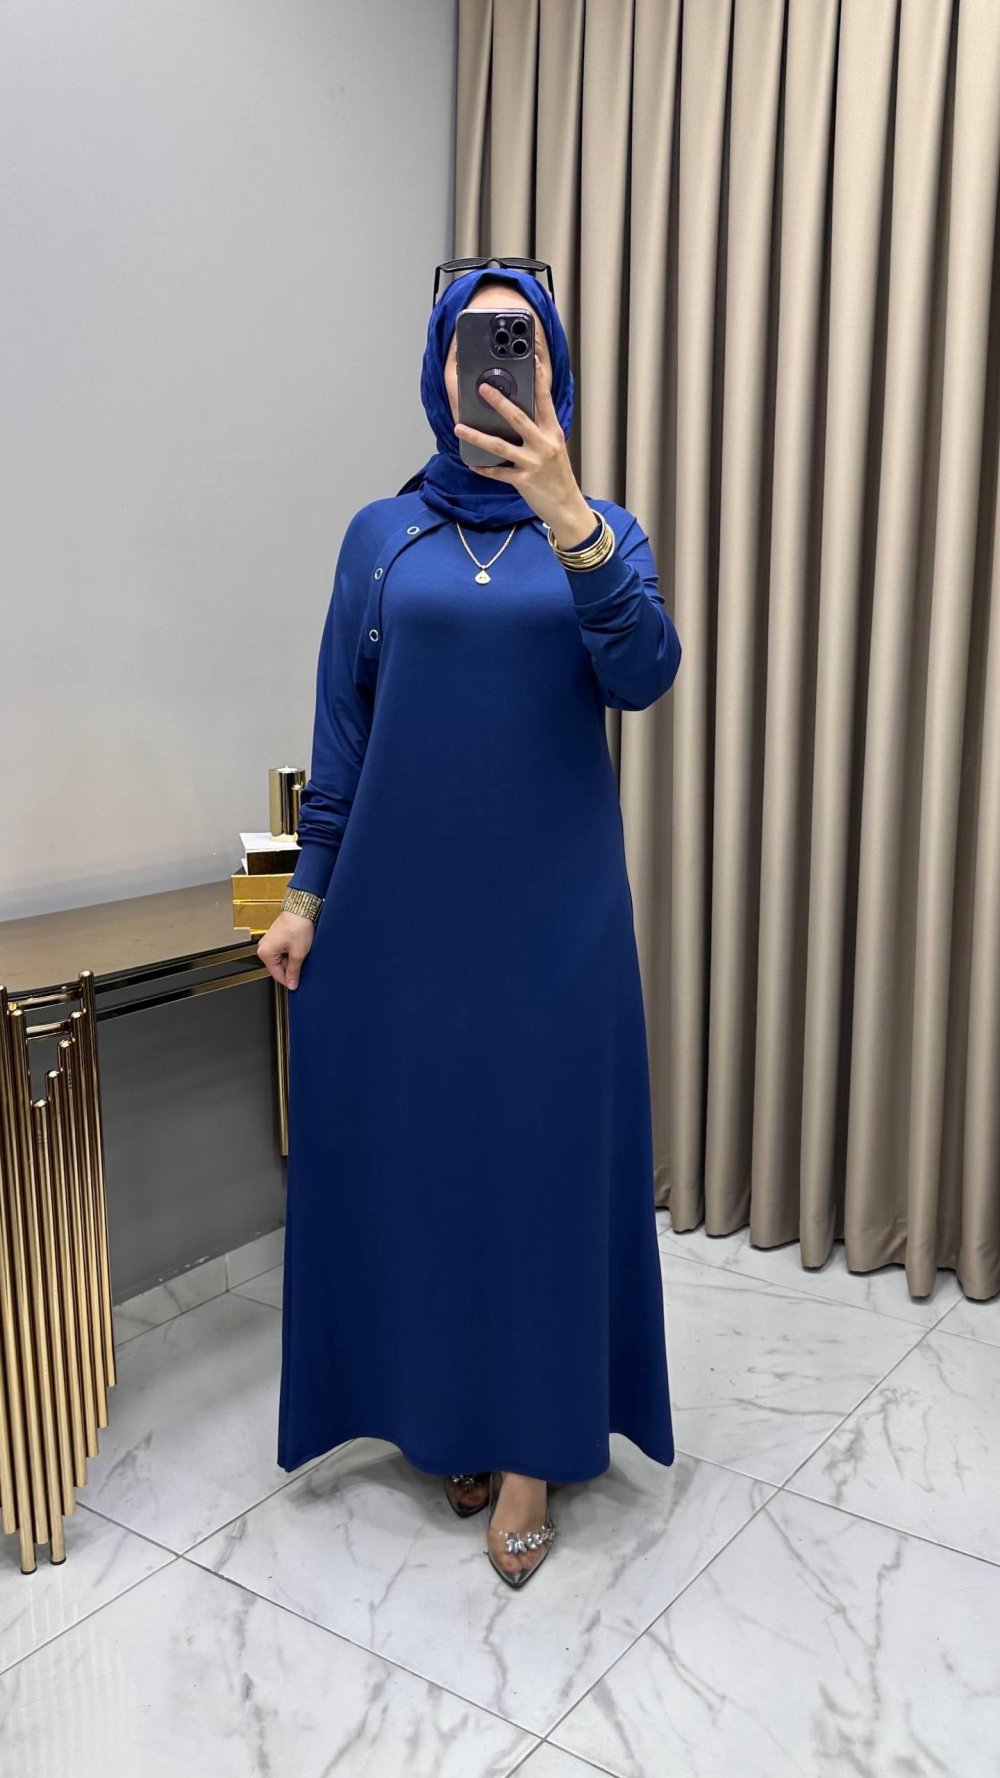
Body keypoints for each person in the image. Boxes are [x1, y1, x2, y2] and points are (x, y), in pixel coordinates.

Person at [257, 263, 682, 1589]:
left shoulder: (600, 525)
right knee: (432, 1166)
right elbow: (344, 727)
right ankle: (448, 1410)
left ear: (551, 369)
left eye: (521, 343)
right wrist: (306, 895)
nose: (495, 366)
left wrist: (568, 512)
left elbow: (644, 672)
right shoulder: (378, 536)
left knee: (541, 1170)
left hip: (558, 921)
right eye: (473, 345)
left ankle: (533, 1450)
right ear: (441, 369)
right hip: (402, 920)